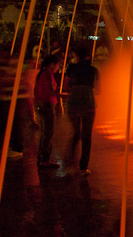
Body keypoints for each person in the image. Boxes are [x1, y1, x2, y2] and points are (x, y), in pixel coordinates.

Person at [64, 47, 100, 176]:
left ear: (77, 56)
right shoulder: (94, 70)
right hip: (89, 103)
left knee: (76, 132)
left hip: (73, 102)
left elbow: (65, 85)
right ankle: (83, 167)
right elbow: (99, 90)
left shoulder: (71, 68)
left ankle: (69, 160)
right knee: (87, 136)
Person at [33, 55, 61, 168]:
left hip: (42, 104)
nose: (59, 67)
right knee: (48, 133)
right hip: (47, 105)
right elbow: (51, 91)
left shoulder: (41, 74)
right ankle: (44, 159)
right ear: (52, 64)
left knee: (45, 133)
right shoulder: (48, 75)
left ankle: (43, 157)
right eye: (58, 64)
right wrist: (63, 95)